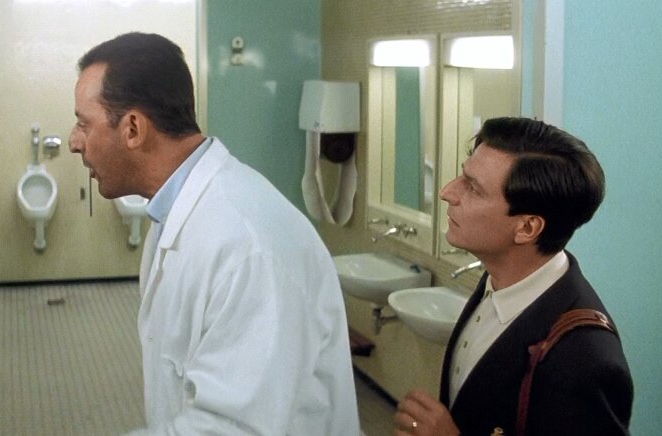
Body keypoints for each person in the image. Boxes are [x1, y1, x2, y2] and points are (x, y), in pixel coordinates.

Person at [69, 32, 360, 435]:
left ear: (133, 128)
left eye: (84, 123)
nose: (74, 142)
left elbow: (232, 429)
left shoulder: (248, 248)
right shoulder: (174, 213)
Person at [393, 117, 633, 435]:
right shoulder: (495, 281)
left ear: (527, 227)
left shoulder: (585, 357)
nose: (447, 192)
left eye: (473, 188)